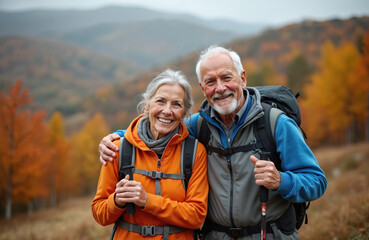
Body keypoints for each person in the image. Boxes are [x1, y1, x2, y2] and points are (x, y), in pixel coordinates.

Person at [98, 46, 327, 240]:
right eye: (210, 81)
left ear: (243, 78)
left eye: (227, 77)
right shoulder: (200, 125)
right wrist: (118, 136)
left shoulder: (275, 123)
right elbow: (163, 125)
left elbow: (316, 181)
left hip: (269, 234)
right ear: (203, 89)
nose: (220, 88)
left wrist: (281, 180)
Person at [92, 69, 208, 240]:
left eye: (176, 104)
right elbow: (100, 214)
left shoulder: (195, 152)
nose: (167, 111)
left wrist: (147, 201)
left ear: (184, 114)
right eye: (160, 101)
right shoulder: (118, 148)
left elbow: (197, 216)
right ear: (147, 105)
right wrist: (117, 201)